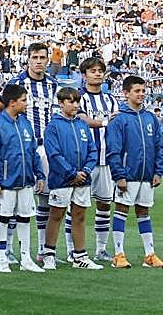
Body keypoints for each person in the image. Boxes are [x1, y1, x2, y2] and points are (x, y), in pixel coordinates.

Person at [0, 84, 46, 274]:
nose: (27, 104)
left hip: (25, 180)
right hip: (6, 182)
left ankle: (25, 258)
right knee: (3, 218)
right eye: (24, 100)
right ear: (12, 102)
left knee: (25, 218)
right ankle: (3, 257)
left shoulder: (25, 123)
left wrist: (40, 174)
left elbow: (33, 151)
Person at [104, 74, 163, 270]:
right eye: (137, 91)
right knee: (121, 210)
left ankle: (149, 254)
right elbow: (113, 149)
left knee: (143, 212)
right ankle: (118, 254)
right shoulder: (119, 119)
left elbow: (159, 146)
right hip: (128, 175)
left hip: (146, 175)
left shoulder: (150, 118)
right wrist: (119, 174)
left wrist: (158, 171)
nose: (141, 95)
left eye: (143, 91)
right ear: (125, 93)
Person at [9, 41, 59, 261]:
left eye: (42, 58)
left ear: (48, 60)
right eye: (35, 57)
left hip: (47, 148)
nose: (38, 62)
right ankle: (9, 249)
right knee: (16, 198)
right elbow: (4, 112)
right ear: (27, 59)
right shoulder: (17, 83)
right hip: (23, 148)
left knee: (45, 199)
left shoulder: (52, 84)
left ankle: (42, 249)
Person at [43, 87, 101, 270]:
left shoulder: (82, 125)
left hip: (83, 178)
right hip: (62, 179)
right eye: (70, 101)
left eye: (77, 101)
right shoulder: (53, 126)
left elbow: (93, 150)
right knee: (56, 215)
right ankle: (49, 254)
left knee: (79, 215)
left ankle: (79, 256)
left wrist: (85, 170)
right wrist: (71, 173)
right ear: (61, 103)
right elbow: (53, 154)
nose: (75, 105)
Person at [77, 56, 117, 262]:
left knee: (104, 205)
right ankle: (72, 250)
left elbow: (116, 125)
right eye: (93, 71)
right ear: (84, 75)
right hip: (85, 160)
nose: (98, 73)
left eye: (100, 70)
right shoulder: (79, 98)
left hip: (106, 159)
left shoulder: (110, 99)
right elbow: (83, 120)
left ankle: (101, 249)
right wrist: (105, 121)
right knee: (77, 207)